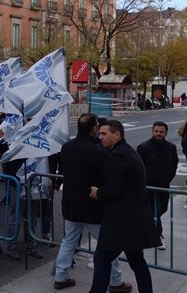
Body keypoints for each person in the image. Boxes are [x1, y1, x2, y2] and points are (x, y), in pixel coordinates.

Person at [52, 114, 131, 292]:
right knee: (107, 244)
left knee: (69, 241)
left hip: (71, 203)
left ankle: (60, 276)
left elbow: (63, 170)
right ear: (94, 128)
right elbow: (107, 176)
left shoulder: (67, 147)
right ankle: (116, 281)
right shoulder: (98, 151)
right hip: (92, 205)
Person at [88, 120, 158, 293]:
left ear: (117, 134)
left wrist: (98, 193)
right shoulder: (126, 152)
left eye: (104, 134)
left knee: (102, 259)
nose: (100, 137)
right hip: (134, 218)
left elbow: (114, 189)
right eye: (100, 133)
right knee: (137, 261)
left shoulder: (117, 155)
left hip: (121, 221)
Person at [137, 121, 178, 250]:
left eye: (161, 132)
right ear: (152, 131)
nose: (158, 134)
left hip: (164, 185)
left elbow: (174, 164)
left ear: (166, 133)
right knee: (154, 210)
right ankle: (158, 235)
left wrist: (168, 178)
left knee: (161, 209)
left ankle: (148, 228)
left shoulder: (171, 147)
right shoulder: (143, 147)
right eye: (156, 131)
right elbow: (138, 167)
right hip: (148, 186)